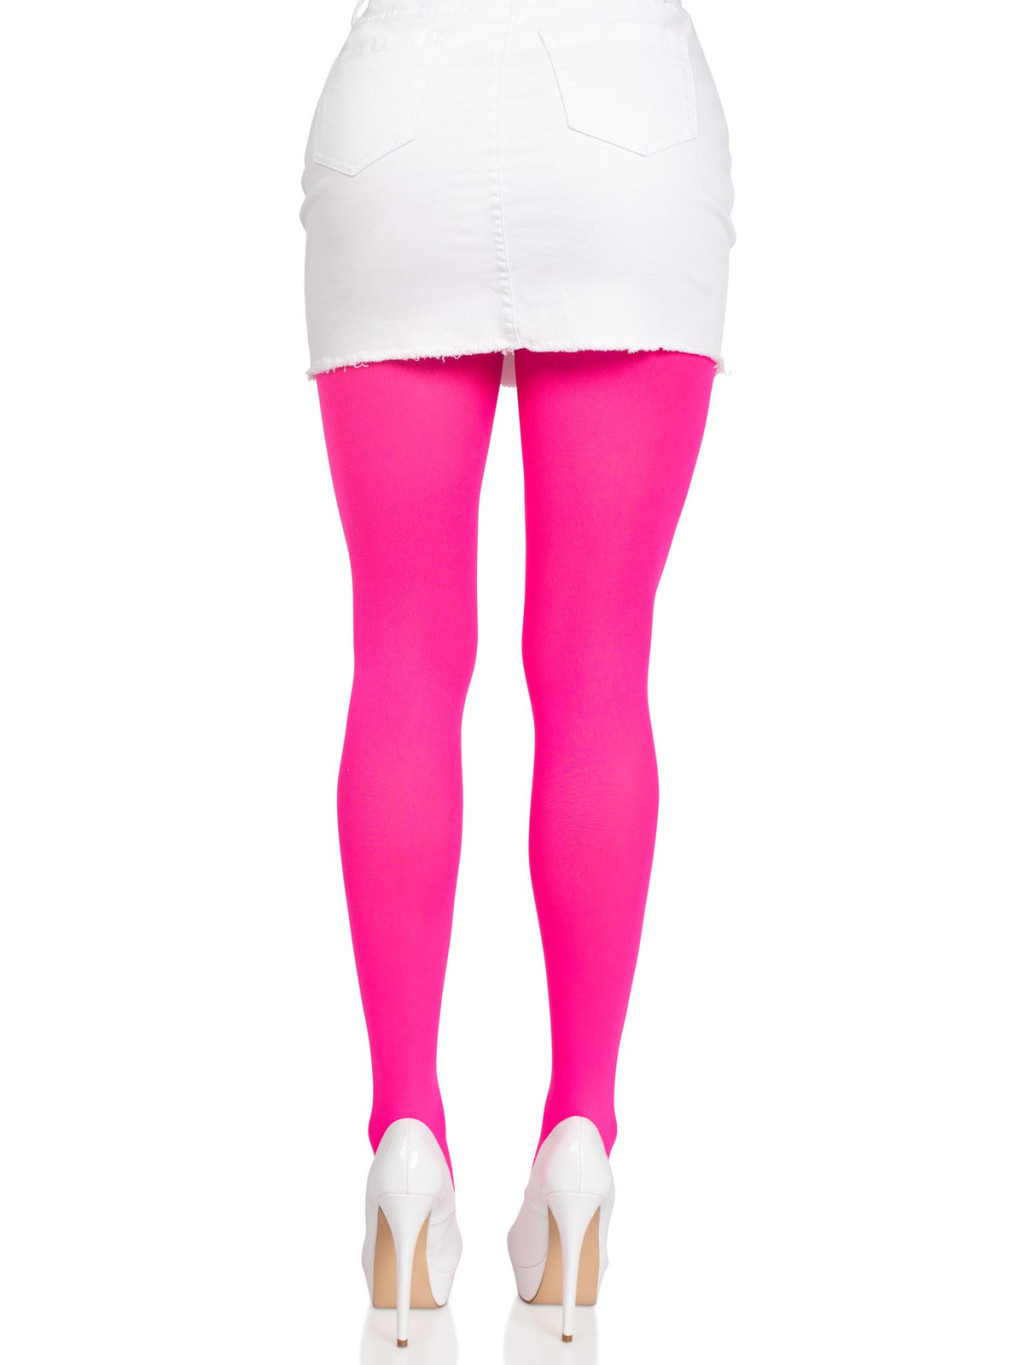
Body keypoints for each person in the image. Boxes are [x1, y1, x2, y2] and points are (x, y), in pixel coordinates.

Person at [299, 0, 735, 1345]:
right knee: (599, 671)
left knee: (402, 657)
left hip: (398, 121)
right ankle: (579, 1140)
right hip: (630, 126)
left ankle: (406, 1141)